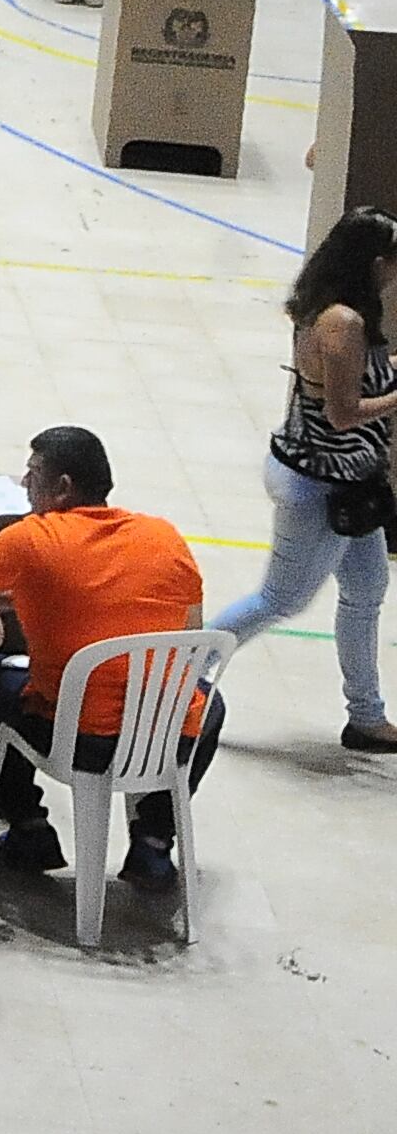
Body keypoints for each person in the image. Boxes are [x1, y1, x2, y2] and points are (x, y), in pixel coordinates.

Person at [0, 425, 221, 892]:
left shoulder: (32, 537)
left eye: (32, 473)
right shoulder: (163, 535)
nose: (25, 483)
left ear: (63, 487)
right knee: (210, 703)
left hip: (80, 737)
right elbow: (192, 632)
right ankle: (153, 840)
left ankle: (28, 828)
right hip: (161, 735)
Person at [213, 209, 396, 751]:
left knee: (365, 590)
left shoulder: (333, 306)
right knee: (279, 599)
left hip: (346, 483)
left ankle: (366, 716)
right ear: (375, 264)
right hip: (317, 484)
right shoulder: (343, 322)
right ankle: (180, 682)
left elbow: (357, 378)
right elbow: (342, 413)